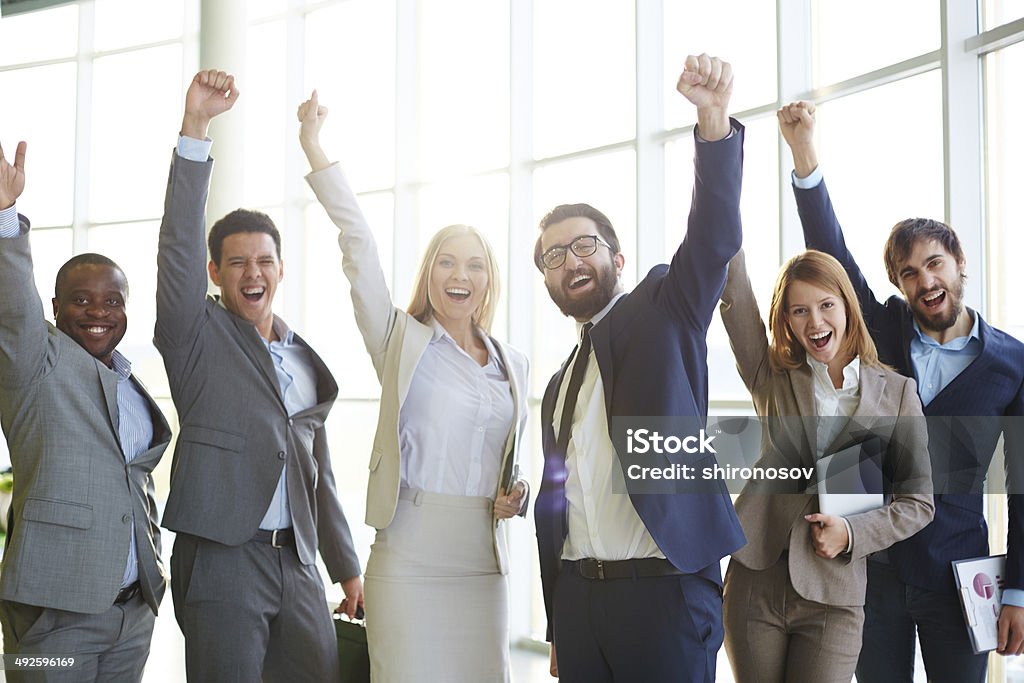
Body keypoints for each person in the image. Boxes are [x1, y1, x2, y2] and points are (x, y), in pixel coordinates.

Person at [779, 99, 1024, 681]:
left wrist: (1019, 588)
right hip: (871, 565)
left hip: (956, 573)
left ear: (959, 263)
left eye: (934, 264)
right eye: (909, 273)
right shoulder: (881, 330)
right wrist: (804, 154)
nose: (925, 281)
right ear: (898, 285)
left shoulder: (1012, 365)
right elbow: (831, 253)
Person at [297, 90, 530, 683]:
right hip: (409, 553)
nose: (461, 274)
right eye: (447, 261)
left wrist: (515, 493)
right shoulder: (400, 342)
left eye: (474, 264)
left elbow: (504, 463)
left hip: (483, 558)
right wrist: (317, 149)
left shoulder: (513, 365)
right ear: (430, 274)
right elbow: (360, 249)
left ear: (488, 279)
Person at [533, 53, 747, 683]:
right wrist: (559, 621)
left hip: (664, 597)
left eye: (583, 245)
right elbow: (561, 500)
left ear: (617, 259)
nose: (568, 260)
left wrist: (713, 122)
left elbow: (712, 238)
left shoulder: (664, 306)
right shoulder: (557, 386)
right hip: (580, 603)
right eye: (551, 256)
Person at [155, 70, 362, 682]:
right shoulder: (196, 335)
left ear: (280, 270)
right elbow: (177, 248)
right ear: (216, 273)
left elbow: (315, 471)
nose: (254, 272)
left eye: (265, 261)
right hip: (224, 557)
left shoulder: (303, 358)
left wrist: (344, 565)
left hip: (297, 564)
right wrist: (196, 129)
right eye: (238, 262)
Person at [719, 247, 934, 682]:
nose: (815, 322)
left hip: (833, 595)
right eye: (799, 311)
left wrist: (852, 533)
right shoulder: (773, 377)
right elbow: (736, 297)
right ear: (787, 321)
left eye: (826, 305)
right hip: (756, 580)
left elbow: (918, 503)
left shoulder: (896, 395)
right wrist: (721, 205)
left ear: (847, 308)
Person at [0, 139, 171, 682]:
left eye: (112, 300)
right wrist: (5, 215)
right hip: (56, 616)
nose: (98, 311)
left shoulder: (127, 380)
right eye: (81, 299)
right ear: (55, 307)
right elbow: (12, 302)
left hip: (131, 612)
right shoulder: (35, 360)